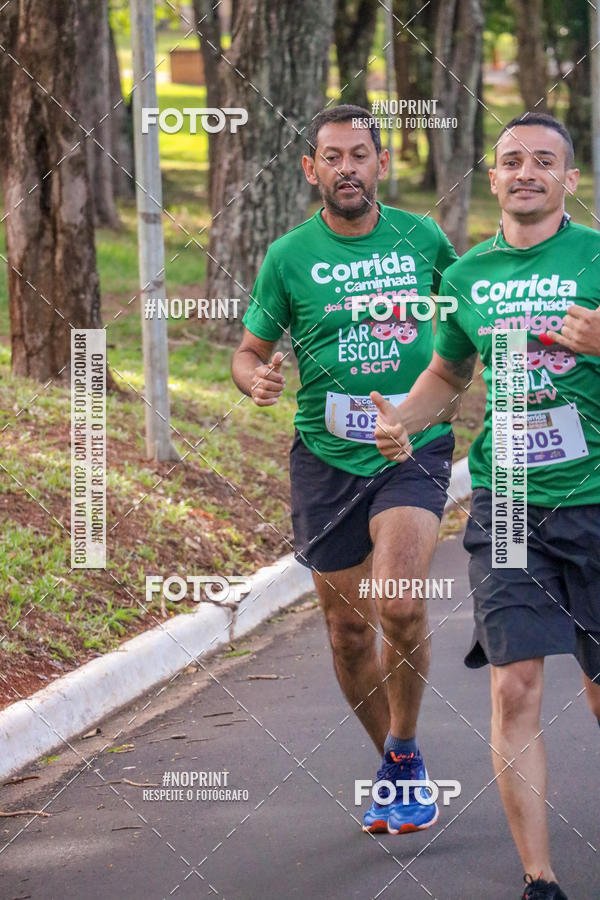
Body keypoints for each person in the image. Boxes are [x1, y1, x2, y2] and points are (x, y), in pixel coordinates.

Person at [372, 112, 600, 898]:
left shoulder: (599, 256)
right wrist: (403, 417)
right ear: (494, 178)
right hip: (507, 503)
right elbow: (448, 373)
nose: (526, 171)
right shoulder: (467, 276)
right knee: (514, 686)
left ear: (570, 179)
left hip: (596, 501)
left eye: (545, 160)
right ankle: (539, 880)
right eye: (512, 161)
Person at [231, 104, 458, 834]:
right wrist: (255, 380)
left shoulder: (421, 237)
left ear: (380, 164)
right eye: (332, 157)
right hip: (324, 461)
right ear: (311, 170)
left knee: (398, 602)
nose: (347, 168)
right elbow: (248, 352)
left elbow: (468, 320)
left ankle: (401, 750)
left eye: (360, 154)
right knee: (348, 633)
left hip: (411, 449)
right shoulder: (288, 256)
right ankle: (399, 763)